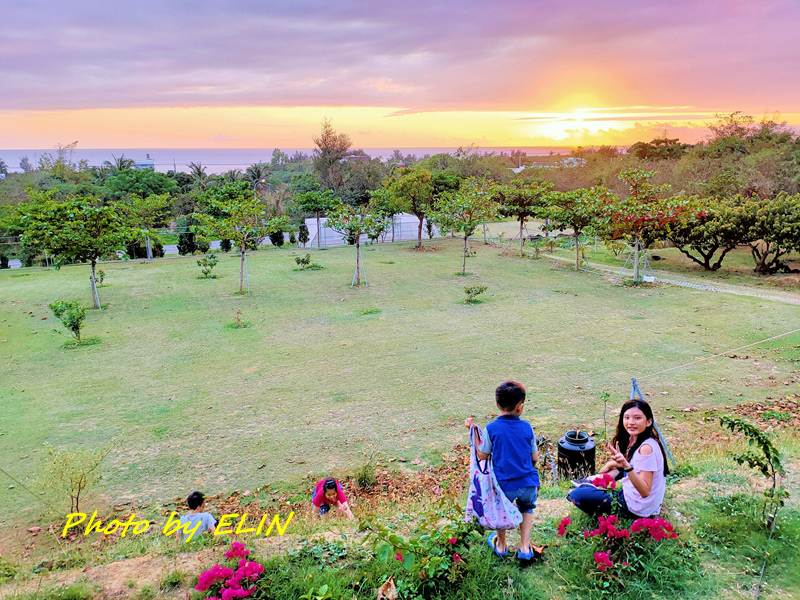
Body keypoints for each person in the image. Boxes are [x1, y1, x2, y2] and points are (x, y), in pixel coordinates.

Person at [465, 380, 540, 561]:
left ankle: (501, 544)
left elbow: (482, 455)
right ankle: (524, 547)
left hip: (504, 484)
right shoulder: (527, 427)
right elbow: (535, 458)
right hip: (528, 482)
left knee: (500, 510)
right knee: (527, 507)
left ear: (497, 403)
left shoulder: (491, 428)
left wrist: (473, 431)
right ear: (520, 407)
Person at [567, 399, 669, 518]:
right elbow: (635, 465)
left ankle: (590, 485)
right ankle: (593, 482)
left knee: (577, 494)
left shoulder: (646, 449)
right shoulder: (644, 439)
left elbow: (645, 491)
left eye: (637, 418)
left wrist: (626, 466)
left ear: (648, 422)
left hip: (637, 507)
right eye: (627, 418)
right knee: (617, 469)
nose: (631, 422)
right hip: (645, 503)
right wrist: (611, 464)